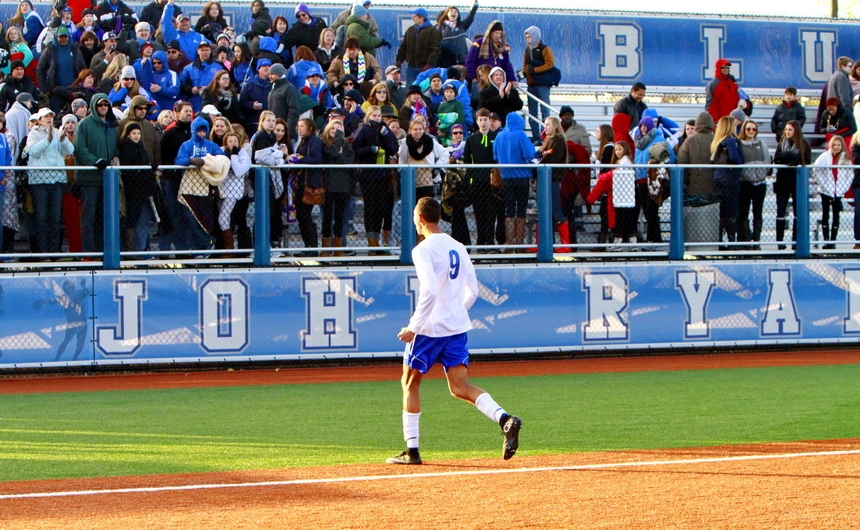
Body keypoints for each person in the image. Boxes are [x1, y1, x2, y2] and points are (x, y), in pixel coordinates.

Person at [387, 196, 522, 465]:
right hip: (456, 327)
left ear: (421, 219)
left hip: (429, 329)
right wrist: (456, 311)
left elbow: (429, 290)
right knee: (460, 387)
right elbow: (473, 289)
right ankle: (505, 419)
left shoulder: (422, 250)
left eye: (415, 215)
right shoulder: (457, 245)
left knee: (410, 384)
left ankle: (412, 451)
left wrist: (414, 326)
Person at [73, 92, 118, 257]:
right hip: (89, 179)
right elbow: (79, 148)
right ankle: (88, 252)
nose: (104, 107)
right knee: (89, 217)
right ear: (94, 106)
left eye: (106, 104)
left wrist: (115, 158)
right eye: (100, 105)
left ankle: (102, 251)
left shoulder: (112, 126)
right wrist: (95, 161)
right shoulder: (84, 124)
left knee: (104, 217)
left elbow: (116, 148)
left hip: (107, 179)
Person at [174, 115, 225, 252]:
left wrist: (210, 162)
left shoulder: (211, 145)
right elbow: (178, 160)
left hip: (206, 186)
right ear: (193, 130)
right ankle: (200, 244)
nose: (202, 134)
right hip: (190, 185)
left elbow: (222, 157)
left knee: (205, 216)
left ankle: (205, 243)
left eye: (204, 131)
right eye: (199, 131)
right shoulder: (187, 145)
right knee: (190, 215)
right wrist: (190, 161)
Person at [352, 106, 398, 253]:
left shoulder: (384, 130)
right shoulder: (363, 129)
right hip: (367, 175)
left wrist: (386, 135)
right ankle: (371, 241)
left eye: (379, 116)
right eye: (374, 115)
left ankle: (377, 240)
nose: (377, 118)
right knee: (370, 207)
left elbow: (394, 149)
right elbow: (355, 149)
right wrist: (370, 149)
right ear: (369, 116)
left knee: (380, 208)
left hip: (382, 175)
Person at [28, 108, 74, 257]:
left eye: (51, 117)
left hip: (57, 180)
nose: (49, 119)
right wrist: (47, 141)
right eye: (46, 117)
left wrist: (63, 139)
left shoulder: (57, 133)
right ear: (40, 119)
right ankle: (42, 253)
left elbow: (69, 150)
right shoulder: (33, 134)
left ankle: (54, 252)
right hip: (39, 181)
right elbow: (33, 151)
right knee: (41, 218)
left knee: (55, 218)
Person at [493, 112, 532, 250]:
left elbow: (495, 155)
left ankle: (509, 243)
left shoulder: (499, 135)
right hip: (522, 176)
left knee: (509, 210)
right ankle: (519, 244)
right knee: (521, 210)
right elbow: (529, 153)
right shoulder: (520, 135)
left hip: (506, 177)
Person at [117, 121, 157, 253]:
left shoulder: (141, 147)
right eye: (133, 133)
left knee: (142, 218)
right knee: (131, 218)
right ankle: (130, 249)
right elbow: (129, 172)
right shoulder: (126, 148)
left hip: (143, 189)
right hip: (133, 190)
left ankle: (140, 248)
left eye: (138, 133)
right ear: (128, 134)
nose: (136, 136)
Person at [158, 100, 193, 252]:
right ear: (177, 113)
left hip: (191, 182)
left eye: (191, 111)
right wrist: (170, 173)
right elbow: (163, 155)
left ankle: (184, 249)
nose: (189, 113)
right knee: (172, 214)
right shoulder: (170, 133)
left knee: (188, 216)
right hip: (173, 181)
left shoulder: (194, 132)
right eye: (186, 111)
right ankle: (165, 249)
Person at [773, 120, 811, 250]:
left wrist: (787, 159)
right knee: (781, 211)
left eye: (790, 130)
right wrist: (789, 160)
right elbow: (777, 159)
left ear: (796, 131)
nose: (787, 132)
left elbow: (805, 160)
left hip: (797, 181)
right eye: (786, 129)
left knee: (797, 211)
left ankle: (796, 239)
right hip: (782, 180)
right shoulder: (781, 143)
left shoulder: (803, 144)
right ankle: (780, 240)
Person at [319, 119, 354, 257]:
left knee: (340, 217)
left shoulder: (347, 145)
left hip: (343, 187)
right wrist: (338, 149)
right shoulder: (324, 143)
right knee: (327, 217)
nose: (336, 131)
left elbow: (348, 163)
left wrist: (340, 154)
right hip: (327, 186)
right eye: (333, 128)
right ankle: (325, 249)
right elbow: (332, 153)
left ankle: (338, 248)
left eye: (339, 129)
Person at [36, 26, 88, 115]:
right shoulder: (49, 50)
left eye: (65, 37)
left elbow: (83, 69)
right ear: (56, 37)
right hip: (56, 93)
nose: (63, 39)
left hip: (73, 91)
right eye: (61, 37)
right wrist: (45, 90)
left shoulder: (75, 49)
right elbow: (40, 70)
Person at [813, 135, 852, 249]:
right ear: (831, 145)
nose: (836, 147)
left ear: (842, 146)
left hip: (838, 191)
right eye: (834, 145)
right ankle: (826, 240)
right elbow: (816, 170)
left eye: (839, 145)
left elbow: (850, 175)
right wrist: (823, 185)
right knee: (825, 215)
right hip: (825, 190)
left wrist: (843, 187)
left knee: (836, 215)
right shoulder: (824, 156)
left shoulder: (846, 158)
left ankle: (833, 240)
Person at [710, 115, 744, 245]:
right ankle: (731, 240)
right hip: (730, 179)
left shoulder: (717, 140)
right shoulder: (730, 140)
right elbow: (736, 159)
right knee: (731, 211)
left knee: (721, 211)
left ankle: (719, 240)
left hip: (718, 178)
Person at [538, 115, 571, 246]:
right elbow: (542, 155)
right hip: (545, 180)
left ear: (555, 126)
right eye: (545, 125)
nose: (545, 127)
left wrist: (538, 162)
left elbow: (551, 158)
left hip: (553, 180)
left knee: (557, 212)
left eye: (548, 125)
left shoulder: (559, 140)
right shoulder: (548, 139)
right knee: (545, 213)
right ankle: (544, 243)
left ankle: (565, 244)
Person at [399, 117, 448, 203]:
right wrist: (402, 171)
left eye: (420, 129)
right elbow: (402, 160)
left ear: (424, 130)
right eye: (415, 129)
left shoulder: (430, 141)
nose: (418, 131)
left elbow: (444, 153)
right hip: (410, 179)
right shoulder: (405, 143)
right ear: (410, 130)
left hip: (427, 179)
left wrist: (437, 167)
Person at [737, 120, 769, 249]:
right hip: (745, 183)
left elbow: (767, 159)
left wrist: (762, 172)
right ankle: (746, 240)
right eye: (748, 129)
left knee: (758, 211)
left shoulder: (761, 144)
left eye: (753, 129)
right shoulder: (739, 144)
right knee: (744, 212)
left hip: (760, 183)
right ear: (744, 130)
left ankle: (756, 240)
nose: (751, 131)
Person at [522, 26, 556, 144]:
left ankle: (546, 135)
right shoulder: (527, 50)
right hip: (531, 84)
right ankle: (536, 136)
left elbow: (550, 64)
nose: (528, 39)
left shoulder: (545, 49)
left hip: (543, 84)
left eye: (529, 36)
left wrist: (535, 70)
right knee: (532, 112)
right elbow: (525, 65)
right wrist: (524, 72)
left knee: (545, 110)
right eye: (526, 37)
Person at [217, 131, 251, 251]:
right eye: (230, 141)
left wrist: (234, 156)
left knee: (223, 219)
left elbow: (239, 171)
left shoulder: (243, 154)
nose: (233, 143)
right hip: (220, 189)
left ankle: (229, 249)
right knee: (220, 219)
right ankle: (222, 248)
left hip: (233, 191)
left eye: (235, 141)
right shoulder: (220, 151)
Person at [395, 8, 441, 86]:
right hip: (411, 68)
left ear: (422, 17)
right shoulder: (410, 30)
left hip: (425, 68)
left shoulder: (433, 31)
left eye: (415, 16)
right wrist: (399, 61)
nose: (412, 18)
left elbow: (435, 50)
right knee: (410, 90)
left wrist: (429, 65)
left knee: (424, 90)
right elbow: (403, 47)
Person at [676, 111, 716, 197]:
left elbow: (681, 161)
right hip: (713, 186)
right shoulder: (716, 139)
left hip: (692, 185)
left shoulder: (689, 140)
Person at [465, 20, 516, 84]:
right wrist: (473, 77)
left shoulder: (501, 47)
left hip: (496, 81)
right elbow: (469, 61)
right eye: (496, 33)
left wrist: (512, 79)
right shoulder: (479, 43)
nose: (498, 35)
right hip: (481, 80)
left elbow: (507, 64)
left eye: (500, 33)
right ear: (490, 33)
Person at [180, 41, 224, 113]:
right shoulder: (188, 68)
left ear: (210, 51)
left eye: (206, 50)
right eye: (202, 50)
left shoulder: (218, 68)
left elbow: (223, 85)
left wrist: (209, 90)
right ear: (198, 51)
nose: (204, 52)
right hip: (193, 104)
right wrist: (190, 89)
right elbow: (181, 85)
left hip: (211, 104)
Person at [437, 2, 478, 68]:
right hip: (446, 60)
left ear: (458, 15)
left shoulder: (462, 26)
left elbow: (470, 16)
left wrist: (475, 5)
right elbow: (436, 42)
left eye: (456, 11)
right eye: (451, 11)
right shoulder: (441, 27)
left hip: (461, 59)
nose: (453, 12)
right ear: (447, 14)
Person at [267, 62, 301, 140]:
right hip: (275, 132)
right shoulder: (273, 89)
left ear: (279, 74)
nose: (269, 76)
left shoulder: (289, 88)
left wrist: (287, 130)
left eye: (272, 74)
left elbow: (294, 111)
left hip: (285, 134)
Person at [239, 58, 272, 132]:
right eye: (264, 66)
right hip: (254, 123)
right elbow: (242, 103)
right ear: (258, 69)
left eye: (269, 66)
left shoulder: (274, 84)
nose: (267, 68)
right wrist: (252, 106)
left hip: (271, 123)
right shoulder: (249, 86)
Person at [612, 82, 647, 150]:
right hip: (626, 140)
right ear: (633, 91)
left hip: (639, 139)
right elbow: (618, 124)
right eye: (639, 94)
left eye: (643, 95)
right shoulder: (622, 104)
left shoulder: (643, 106)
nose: (641, 97)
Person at [706, 59, 740, 123]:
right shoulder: (713, 84)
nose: (726, 69)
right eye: (723, 67)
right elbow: (710, 106)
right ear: (718, 68)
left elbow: (739, 99)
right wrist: (715, 122)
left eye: (727, 67)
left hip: (734, 122)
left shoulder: (732, 83)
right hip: (721, 122)